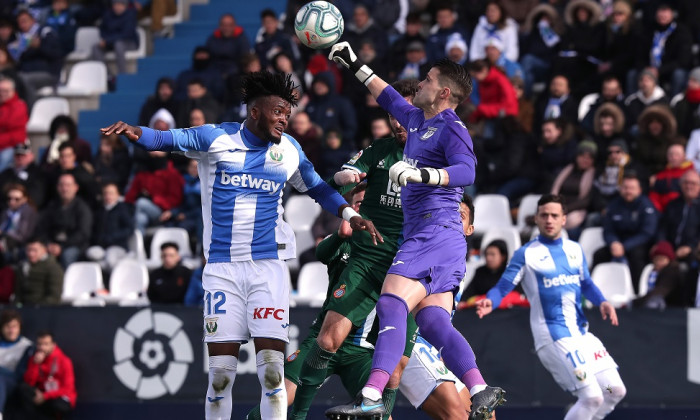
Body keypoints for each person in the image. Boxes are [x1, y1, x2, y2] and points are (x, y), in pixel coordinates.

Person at [100, 70, 382, 420]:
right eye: (278, 111)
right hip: (221, 270)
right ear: (255, 112)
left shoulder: (289, 150)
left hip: (268, 268)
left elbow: (317, 188)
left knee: (271, 374)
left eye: (288, 114)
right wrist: (134, 131)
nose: (284, 119)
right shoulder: (215, 138)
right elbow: (163, 138)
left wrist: (349, 215)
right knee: (219, 378)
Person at [325, 42, 504, 419]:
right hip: (441, 239)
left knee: (391, 302)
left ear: (442, 92)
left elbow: (468, 171)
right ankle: (480, 387)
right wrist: (353, 61)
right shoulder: (419, 121)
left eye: (427, 79)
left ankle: (371, 395)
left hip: (433, 231)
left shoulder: (452, 128)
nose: (419, 83)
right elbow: (387, 95)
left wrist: (421, 174)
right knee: (431, 320)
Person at [286, 80, 420, 420]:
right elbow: (336, 181)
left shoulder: (437, 158)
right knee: (328, 341)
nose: (397, 122)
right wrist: (345, 176)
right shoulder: (380, 150)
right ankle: (299, 416)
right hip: (370, 261)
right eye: (393, 114)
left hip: (410, 269)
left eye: (405, 114)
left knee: (395, 371)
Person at [476, 194, 626, 420]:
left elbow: (586, 282)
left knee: (613, 391)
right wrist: (491, 300)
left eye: (554, 215)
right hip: (553, 337)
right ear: (536, 218)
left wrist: (602, 301)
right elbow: (503, 286)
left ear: (564, 219)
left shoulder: (575, 249)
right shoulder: (526, 254)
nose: (549, 220)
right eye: (544, 215)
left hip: (581, 334)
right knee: (592, 397)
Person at [593, 174, 658, 292]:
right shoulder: (614, 204)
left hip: (638, 244)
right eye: (625, 187)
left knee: (637, 257)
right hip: (617, 243)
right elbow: (608, 229)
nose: (628, 191)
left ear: (639, 190)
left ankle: (637, 293)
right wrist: (613, 242)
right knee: (599, 254)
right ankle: (592, 293)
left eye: (632, 188)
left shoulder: (646, 205)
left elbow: (647, 233)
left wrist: (625, 246)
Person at [36, 173, 93, 267]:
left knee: (67, 255)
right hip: (52, 244)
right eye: (62, 185)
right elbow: (42, 228)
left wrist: (62, 247)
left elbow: (83, 233)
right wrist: (48, 244)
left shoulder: (83, 208)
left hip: (74, 246)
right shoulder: (52, 206)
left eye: (68, 185)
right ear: (58, 187)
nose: (65, 189)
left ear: (76, 187)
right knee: (34, 252)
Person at [19, 331, 76, 419]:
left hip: (58, 396)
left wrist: (45, 396)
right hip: (42, 393)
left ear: (53, 345)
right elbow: (29, 383)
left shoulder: (64, 361)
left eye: (46, 344)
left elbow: (67, 388)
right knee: (23, 389)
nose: (42, 347)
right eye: (39, 344)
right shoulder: (34, 359)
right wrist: (35, 365)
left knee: (57, 405)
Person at [124, 150, 183, 233]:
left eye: (159, 149)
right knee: (141, 218)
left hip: (163, 214)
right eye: (152, 149)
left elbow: (175, 200)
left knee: (141, 203)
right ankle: (138, 245)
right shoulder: (142, 173)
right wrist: (138, 195)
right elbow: (129, 198)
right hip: (141, 211)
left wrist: (153, 199)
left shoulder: (172, 174)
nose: (155, 152)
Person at [85, 182, 134, 271]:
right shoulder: (99, 211)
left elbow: (130, 229)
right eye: (105, 193)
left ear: (117, 195)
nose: (108, 196)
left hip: (118, 246)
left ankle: (113, 282)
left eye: (111, 193)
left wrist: (112, 237)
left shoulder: (123, 210)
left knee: (110, 258)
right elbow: (94, 231)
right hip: (101, 247)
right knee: (91, 253)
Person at [91, 0, 138, 77]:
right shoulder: (108, 15)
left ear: (125, 5)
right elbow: (102, 30)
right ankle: (107, 75)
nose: (117, 7)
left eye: (120, 4)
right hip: (111, 43)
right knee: (95, 48)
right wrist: (105, 39)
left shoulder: (130, 15)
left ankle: (122, 75)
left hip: (129, 43)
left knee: (119, 44)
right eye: (115, 4)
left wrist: (108, 40)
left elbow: (126, 34)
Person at [0, 309, 33, 418]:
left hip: (13, 385)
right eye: (8, 327)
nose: (11, 330)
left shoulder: (27, 346)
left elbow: (20, 375)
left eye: (15, 326)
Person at [14, 238, 64, 305]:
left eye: (35, 250)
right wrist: (17, 306)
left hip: (44, 309)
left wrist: (38, 308)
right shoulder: (22, 267)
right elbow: (18, 293)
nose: (31, 254)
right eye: (28, 250)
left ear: (44, 250)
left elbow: (54, 297)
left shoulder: (53, 267)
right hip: (24, 308)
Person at [0, 141, 47, 209]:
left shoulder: (39, 173)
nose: (20, 158)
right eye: (17, 155)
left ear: (31, 156)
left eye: (23, 155)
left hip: (29, 212)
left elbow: (37, 198)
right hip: (5, 211)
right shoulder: (6, 173)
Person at [0, 183, 38, 263]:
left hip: (19, 246)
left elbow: (23, 236)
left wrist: (3, 235)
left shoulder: (27, 212)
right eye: (9, 198)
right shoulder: (6, 212)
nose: (12, 202)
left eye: (16, 199)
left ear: (24, 199)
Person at [0, 75, 28, 172]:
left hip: (12, 146)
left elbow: (11, 124)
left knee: (5, 157)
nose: (2, 94)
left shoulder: (19, 105)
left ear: (13, 91)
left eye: (5, 91)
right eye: (0, 91)